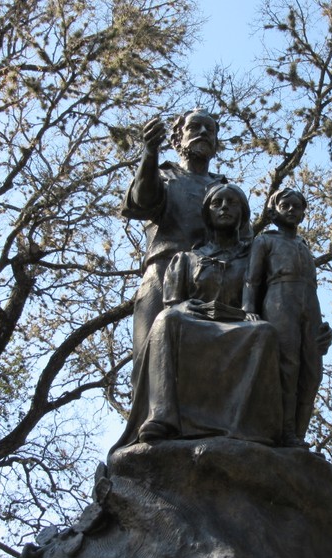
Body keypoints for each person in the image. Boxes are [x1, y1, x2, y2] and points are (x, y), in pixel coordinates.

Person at [111, 183, 283, 450]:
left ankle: (247, 426)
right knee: (166, 320)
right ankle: (163, 417)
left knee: (266, 332)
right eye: (217, 203)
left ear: (243, 213)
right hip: (194, 325)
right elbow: (172, 303)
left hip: (238, 328)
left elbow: (275, 301)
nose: (224, 207)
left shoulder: (255, 259)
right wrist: (183, 309)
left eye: (232, 202)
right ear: (207, 213)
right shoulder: (186, 259)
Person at [121, 109, 250, 359]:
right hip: (163, 270)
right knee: (150, 353)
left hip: (216, 280)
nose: (203, 132)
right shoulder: (163, 176)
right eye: (195, 127)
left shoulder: (226, 193)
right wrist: (149, 152)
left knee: (214, 363)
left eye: (209, 130)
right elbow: (141, 201)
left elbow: (246, 246)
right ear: (176, 139)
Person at [243, 188, 331, 447]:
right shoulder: (265, 241)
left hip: (309, 307)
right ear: (274, 210)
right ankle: (286, 433)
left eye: (297, 206)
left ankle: (300, 434)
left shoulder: (304, 246)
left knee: (313, 371)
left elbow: (311, 288)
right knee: (287, 366)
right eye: (286, 205)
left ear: (304, 213)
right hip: (279, 302)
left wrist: (321, 324)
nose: (292, 210)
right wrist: (249, 308)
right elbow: (252, 278)